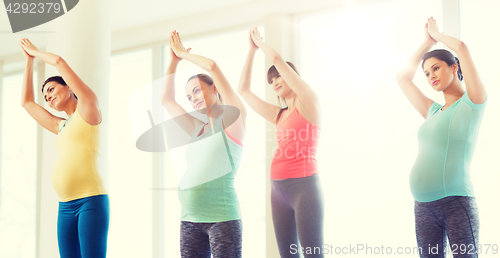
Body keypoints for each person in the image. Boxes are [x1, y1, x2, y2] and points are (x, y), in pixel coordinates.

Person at [396, 18, 486, 258]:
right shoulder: (433, 111)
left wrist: (436, 33)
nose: (430, 76)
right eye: (426, 73)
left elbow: (462, 48)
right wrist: (426, 44)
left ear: (454, 67)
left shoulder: (472, 103)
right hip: (422, 206)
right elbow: (402, 78)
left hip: (456, 204)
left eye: (436, 68)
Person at [238, 27, 324, 257]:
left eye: (279, 76)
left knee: (312, 254)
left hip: (304, 188)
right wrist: (251, 51)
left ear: (293, 77)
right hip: (277, 190)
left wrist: (260, 42)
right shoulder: (279, 115)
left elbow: (276, 58)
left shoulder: (308, 101)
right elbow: (243, 91)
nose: (275, 81)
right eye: (271, 80)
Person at [19, 38, 109, 258]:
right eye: (46, 97)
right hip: (65, 208)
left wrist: (35, 51)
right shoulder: (60, 125)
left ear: (68, 86)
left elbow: (58, 61)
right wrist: (28, 62)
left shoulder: (88, 108)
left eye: (51, 89)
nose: (48, 97)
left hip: (91, 202)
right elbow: (27, 103)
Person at [161, 30, 247, 258]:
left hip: (223, 219)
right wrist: (173, 63)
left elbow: (212, 66)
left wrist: (183, 53)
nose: (193, 98)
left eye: (197, 90)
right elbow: (166, 100)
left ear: (215, 88)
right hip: (189, 220)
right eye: (189, 97)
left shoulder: (233, 120)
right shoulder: (196, 129)